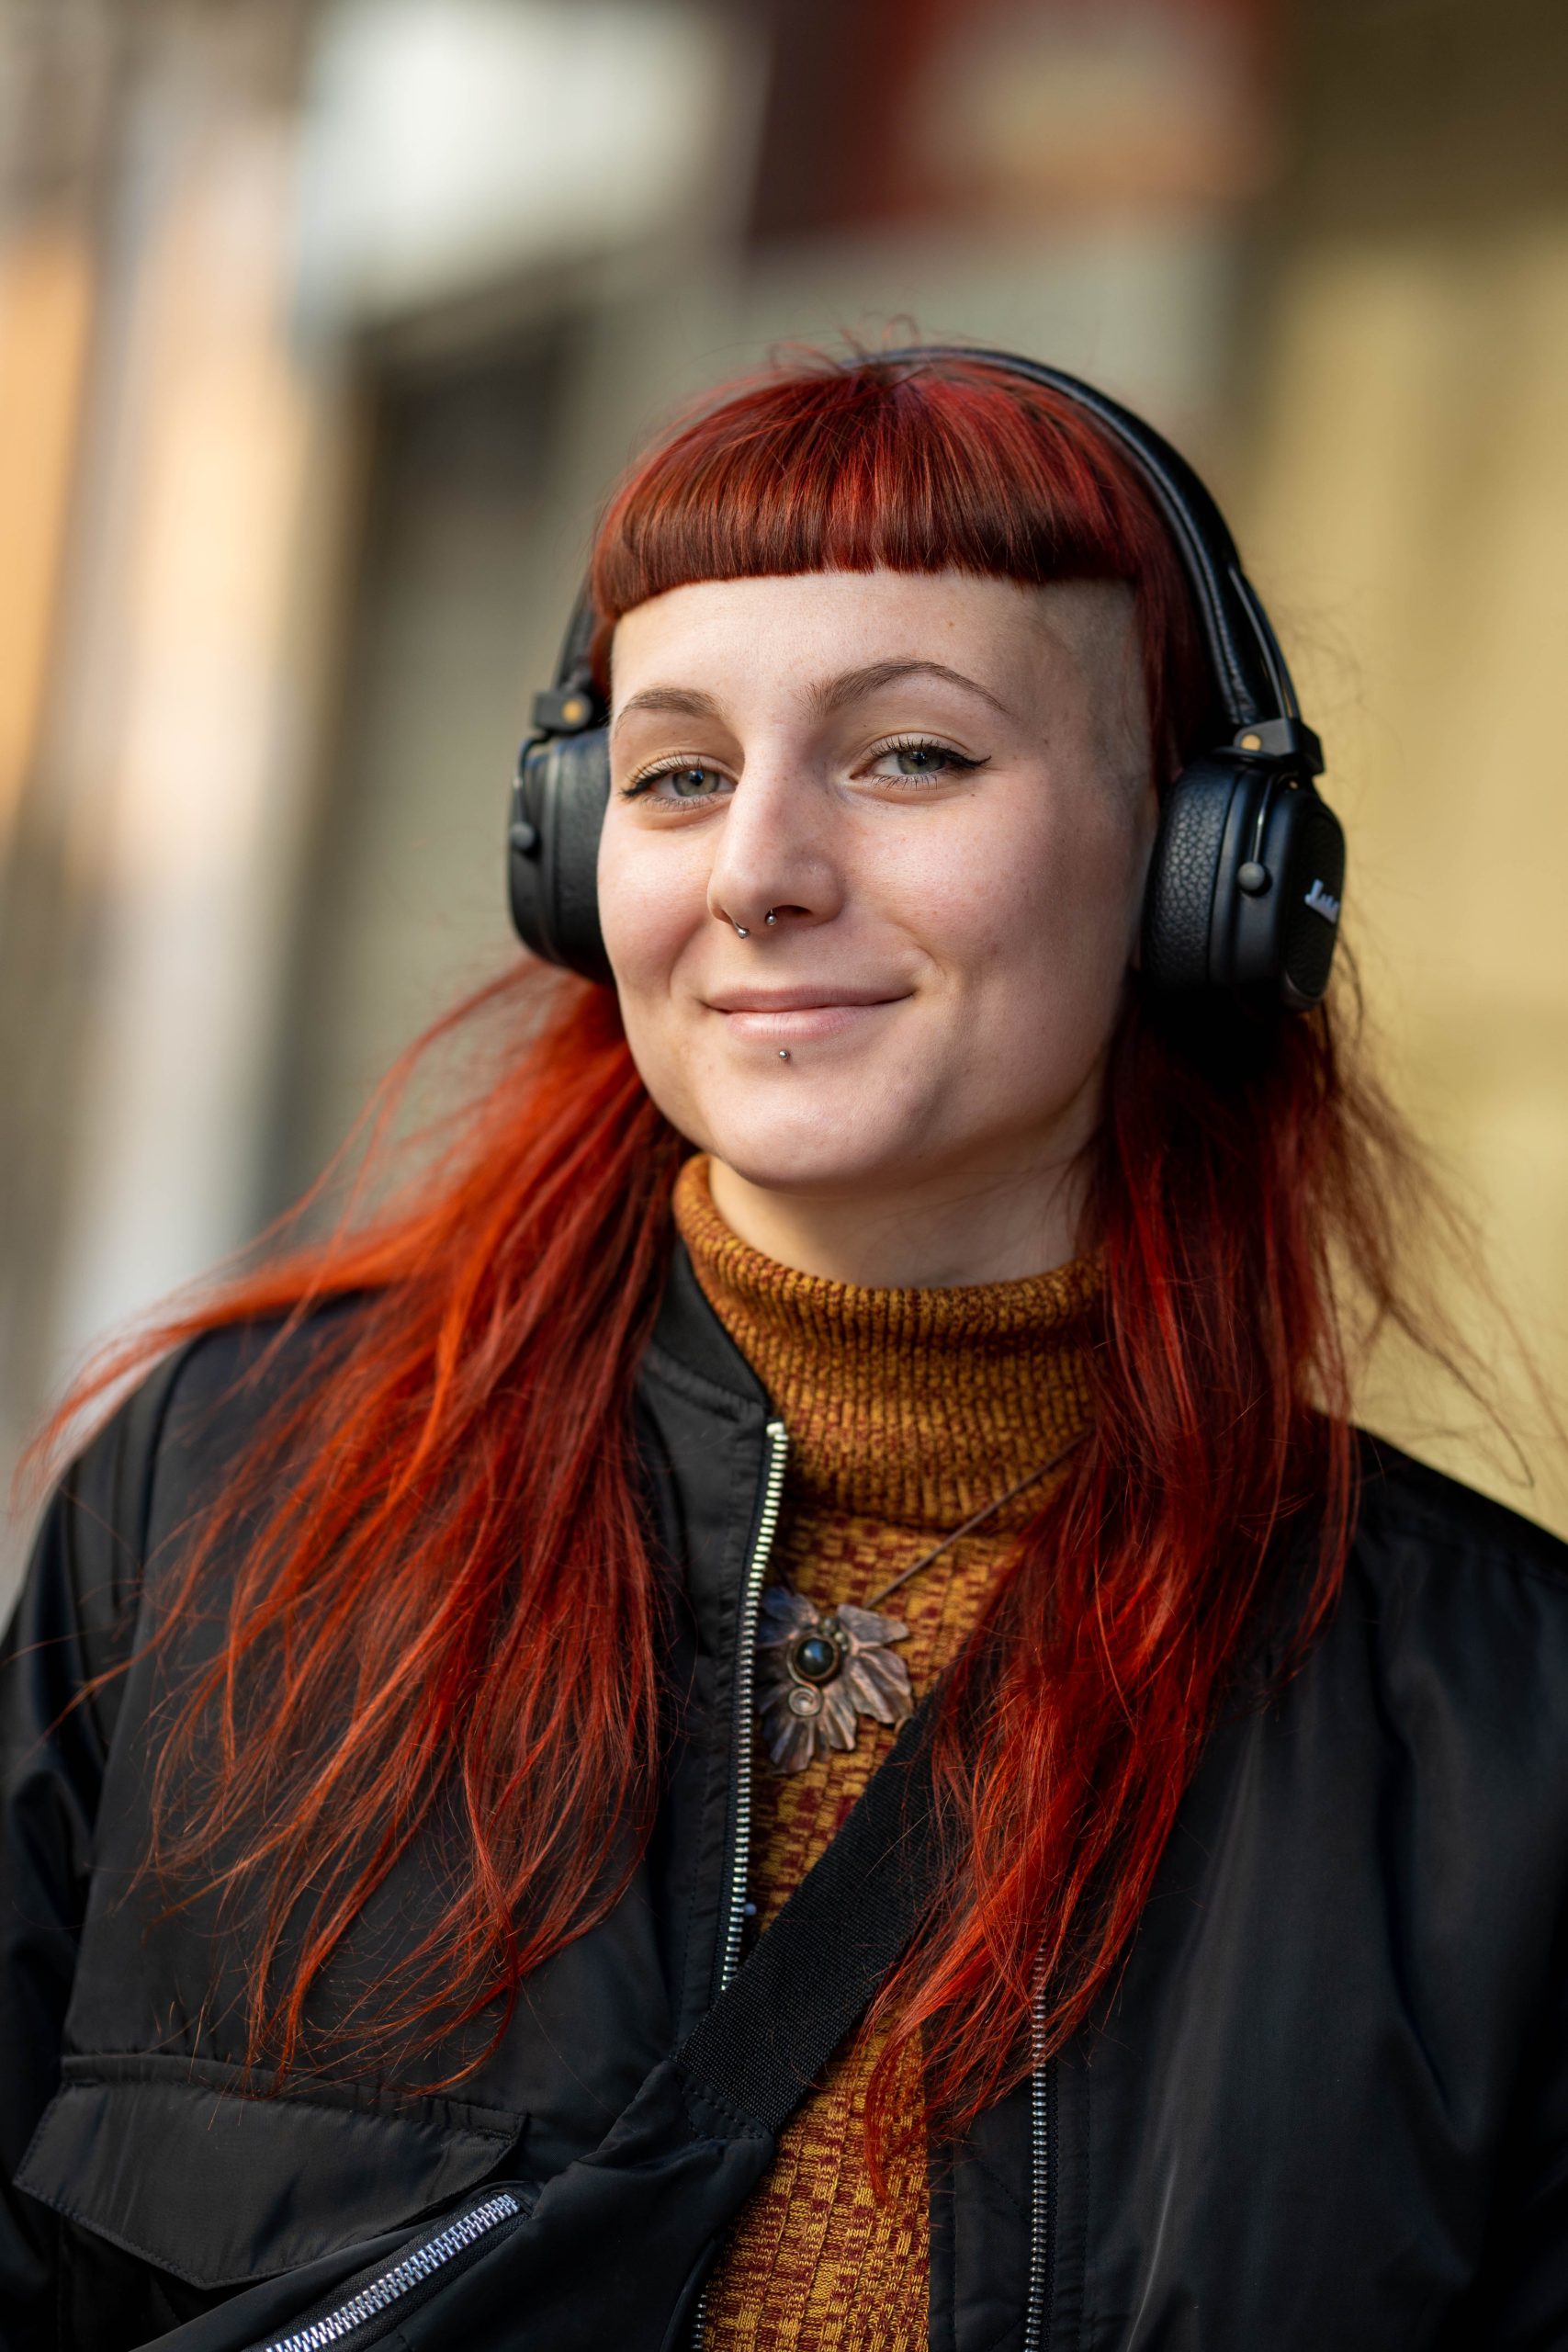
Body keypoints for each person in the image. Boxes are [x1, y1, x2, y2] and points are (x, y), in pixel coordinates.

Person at [2, 347, 1564, 2352]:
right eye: (673, 772)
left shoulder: (1495, 1739)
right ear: (575, 859)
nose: (755, 868)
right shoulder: (228, 1489)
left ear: (1199, 867)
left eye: (909, 755)